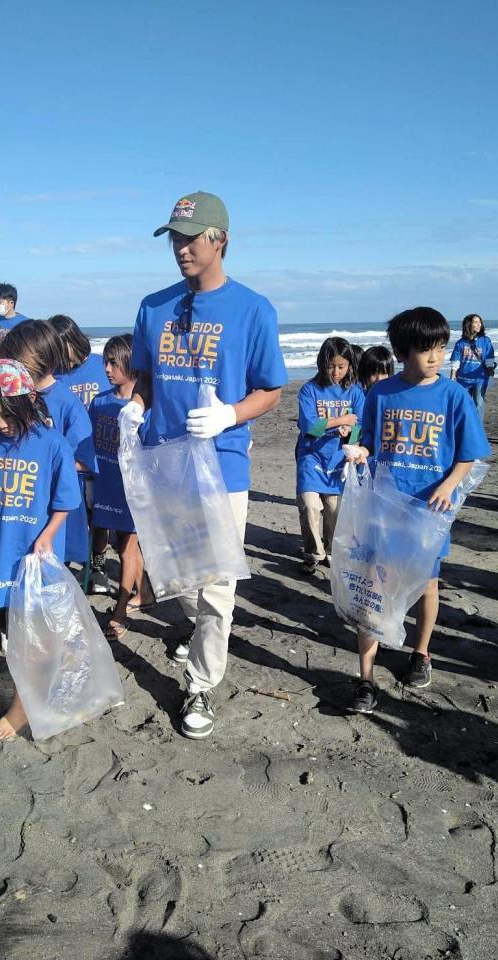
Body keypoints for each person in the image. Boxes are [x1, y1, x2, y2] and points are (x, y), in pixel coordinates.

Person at [124, 190, 287, 740]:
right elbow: (144, 376)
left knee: (217, 584)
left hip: (222, 463)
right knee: (178, 570)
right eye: (173, 237)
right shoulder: (154, 307)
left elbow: (272, 389)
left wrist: (231, 416)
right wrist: (136, 405)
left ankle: (200, 684)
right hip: (163, 459)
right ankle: (194, 630)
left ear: (221, 239)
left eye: (190, 237)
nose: (180, 248)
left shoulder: (253, 309)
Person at [345, 306, 490, 714]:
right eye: (427, 350)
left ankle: (420, 652)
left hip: (429, 509)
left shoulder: (453, 395)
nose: (437, 357)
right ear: (403, 351)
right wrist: (360, 451)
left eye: (442, 348)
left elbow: (470, 455)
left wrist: (448, 484)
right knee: (373, 585)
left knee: (427, 583)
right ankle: (366, 679)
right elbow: (369, 440)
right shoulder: (381, 393)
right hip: (384, 505)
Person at [0, 357, 80, 740]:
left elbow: (65, 501)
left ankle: (21, 708)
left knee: (38, 631)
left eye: (6, 415)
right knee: (15, 631)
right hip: (0, 554)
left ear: (27, 402)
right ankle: (33, 690)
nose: (0, 424)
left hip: (36, 557)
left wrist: (48, 534)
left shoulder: (51, 444)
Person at [0, 320, 97, 568]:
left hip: (52, 506)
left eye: (17, 362)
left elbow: (84, 461)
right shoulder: (15, 398)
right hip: (18, 498)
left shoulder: (67, 403)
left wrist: (47, 465)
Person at [88, 335, 149, 639]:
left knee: (127, 547)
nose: (107, 368)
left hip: (132, 490)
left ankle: (121, 610)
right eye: (106, 361)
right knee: (121, 544)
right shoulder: (99, 401)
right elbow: (88, 446)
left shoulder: (145, 406)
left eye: (114, 362)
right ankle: (145, 592)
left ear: (132, 364)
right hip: (105, 485)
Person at [49, 314, 112, 590]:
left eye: (64, 350)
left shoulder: (102, 367)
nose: (62, 358)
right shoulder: (56, 374)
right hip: (67, 462)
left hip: (99, 457)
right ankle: (64, 566)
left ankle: (96, 566)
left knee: (99, 516)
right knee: (69, 515)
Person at [295, 337, 364, 574]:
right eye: (331, 366)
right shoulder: (309, 390)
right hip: (310, 456)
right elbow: (310, 427)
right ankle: (313, 553)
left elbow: (360, 426)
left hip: (337, 459)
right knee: (309, 506)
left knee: (334, 512)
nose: (336, 372)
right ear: (321, 363)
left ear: (349, 366)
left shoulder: (354, 392)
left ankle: (330, 550)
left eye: (341, 366)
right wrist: (342, 420)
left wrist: (349, 432)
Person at [449, 314, 495, 422]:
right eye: (476, 322)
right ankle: (464, 429)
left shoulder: (485, 341)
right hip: (463, 380)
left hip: (480, 379)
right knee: (463, 406)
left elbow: (489, 360)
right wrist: (452, 379)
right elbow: (455, 363)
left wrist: (491, 375)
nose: (479, 324)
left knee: (479, 404)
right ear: (468, 324)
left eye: (480, 322)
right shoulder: (460, 343)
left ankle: (477, 431)